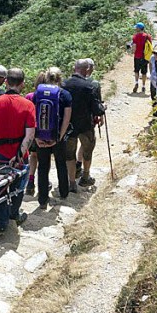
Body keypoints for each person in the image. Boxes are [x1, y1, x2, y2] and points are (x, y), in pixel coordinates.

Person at [0, 68, 35, 236]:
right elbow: (29, 135)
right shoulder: (28, 105)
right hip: (18, 155)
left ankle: (0, 224)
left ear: (6, 82)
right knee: (19, 187)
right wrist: (19, 155)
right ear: (22, 84)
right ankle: (14, 214)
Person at [32, 67, 72, 208]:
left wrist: (36, 137)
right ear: (60, 78)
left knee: (43, 167)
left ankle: (42, 200)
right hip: (57, 137)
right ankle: (64, 193)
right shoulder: (65, 94)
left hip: (41, 136)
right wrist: (59, 137)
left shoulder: (37, 94)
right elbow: (66, 119)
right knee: (61, 164)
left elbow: (33, 116)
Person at [65, 58, 105, 192]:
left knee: (70, 155)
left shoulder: (64, 84)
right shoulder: (89, 86)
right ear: (87, 70)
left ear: (74, 68)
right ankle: (85, 177)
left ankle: (71, 183)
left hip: (68, 126)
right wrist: (103, 108)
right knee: (87, 151)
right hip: (85, 126)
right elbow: (97, 110)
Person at [24, 70, 48, 197]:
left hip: (32, 130)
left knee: (33, 155)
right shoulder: (51, 96)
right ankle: (44, 183)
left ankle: (30, 180)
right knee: (45, 158)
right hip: (46, 131)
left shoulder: (29, 96)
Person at [128, 23, 152, 94]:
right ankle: (143, 86)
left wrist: (132, 51)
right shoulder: (148, 36)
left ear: (139, 28)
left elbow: (134, 47)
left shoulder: (135, 36)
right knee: (144, 72)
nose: (135, 29)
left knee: (136, 71)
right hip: (145, 57)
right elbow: (150, 46)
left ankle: (136, 83)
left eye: (136, 28)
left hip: (137, 56)